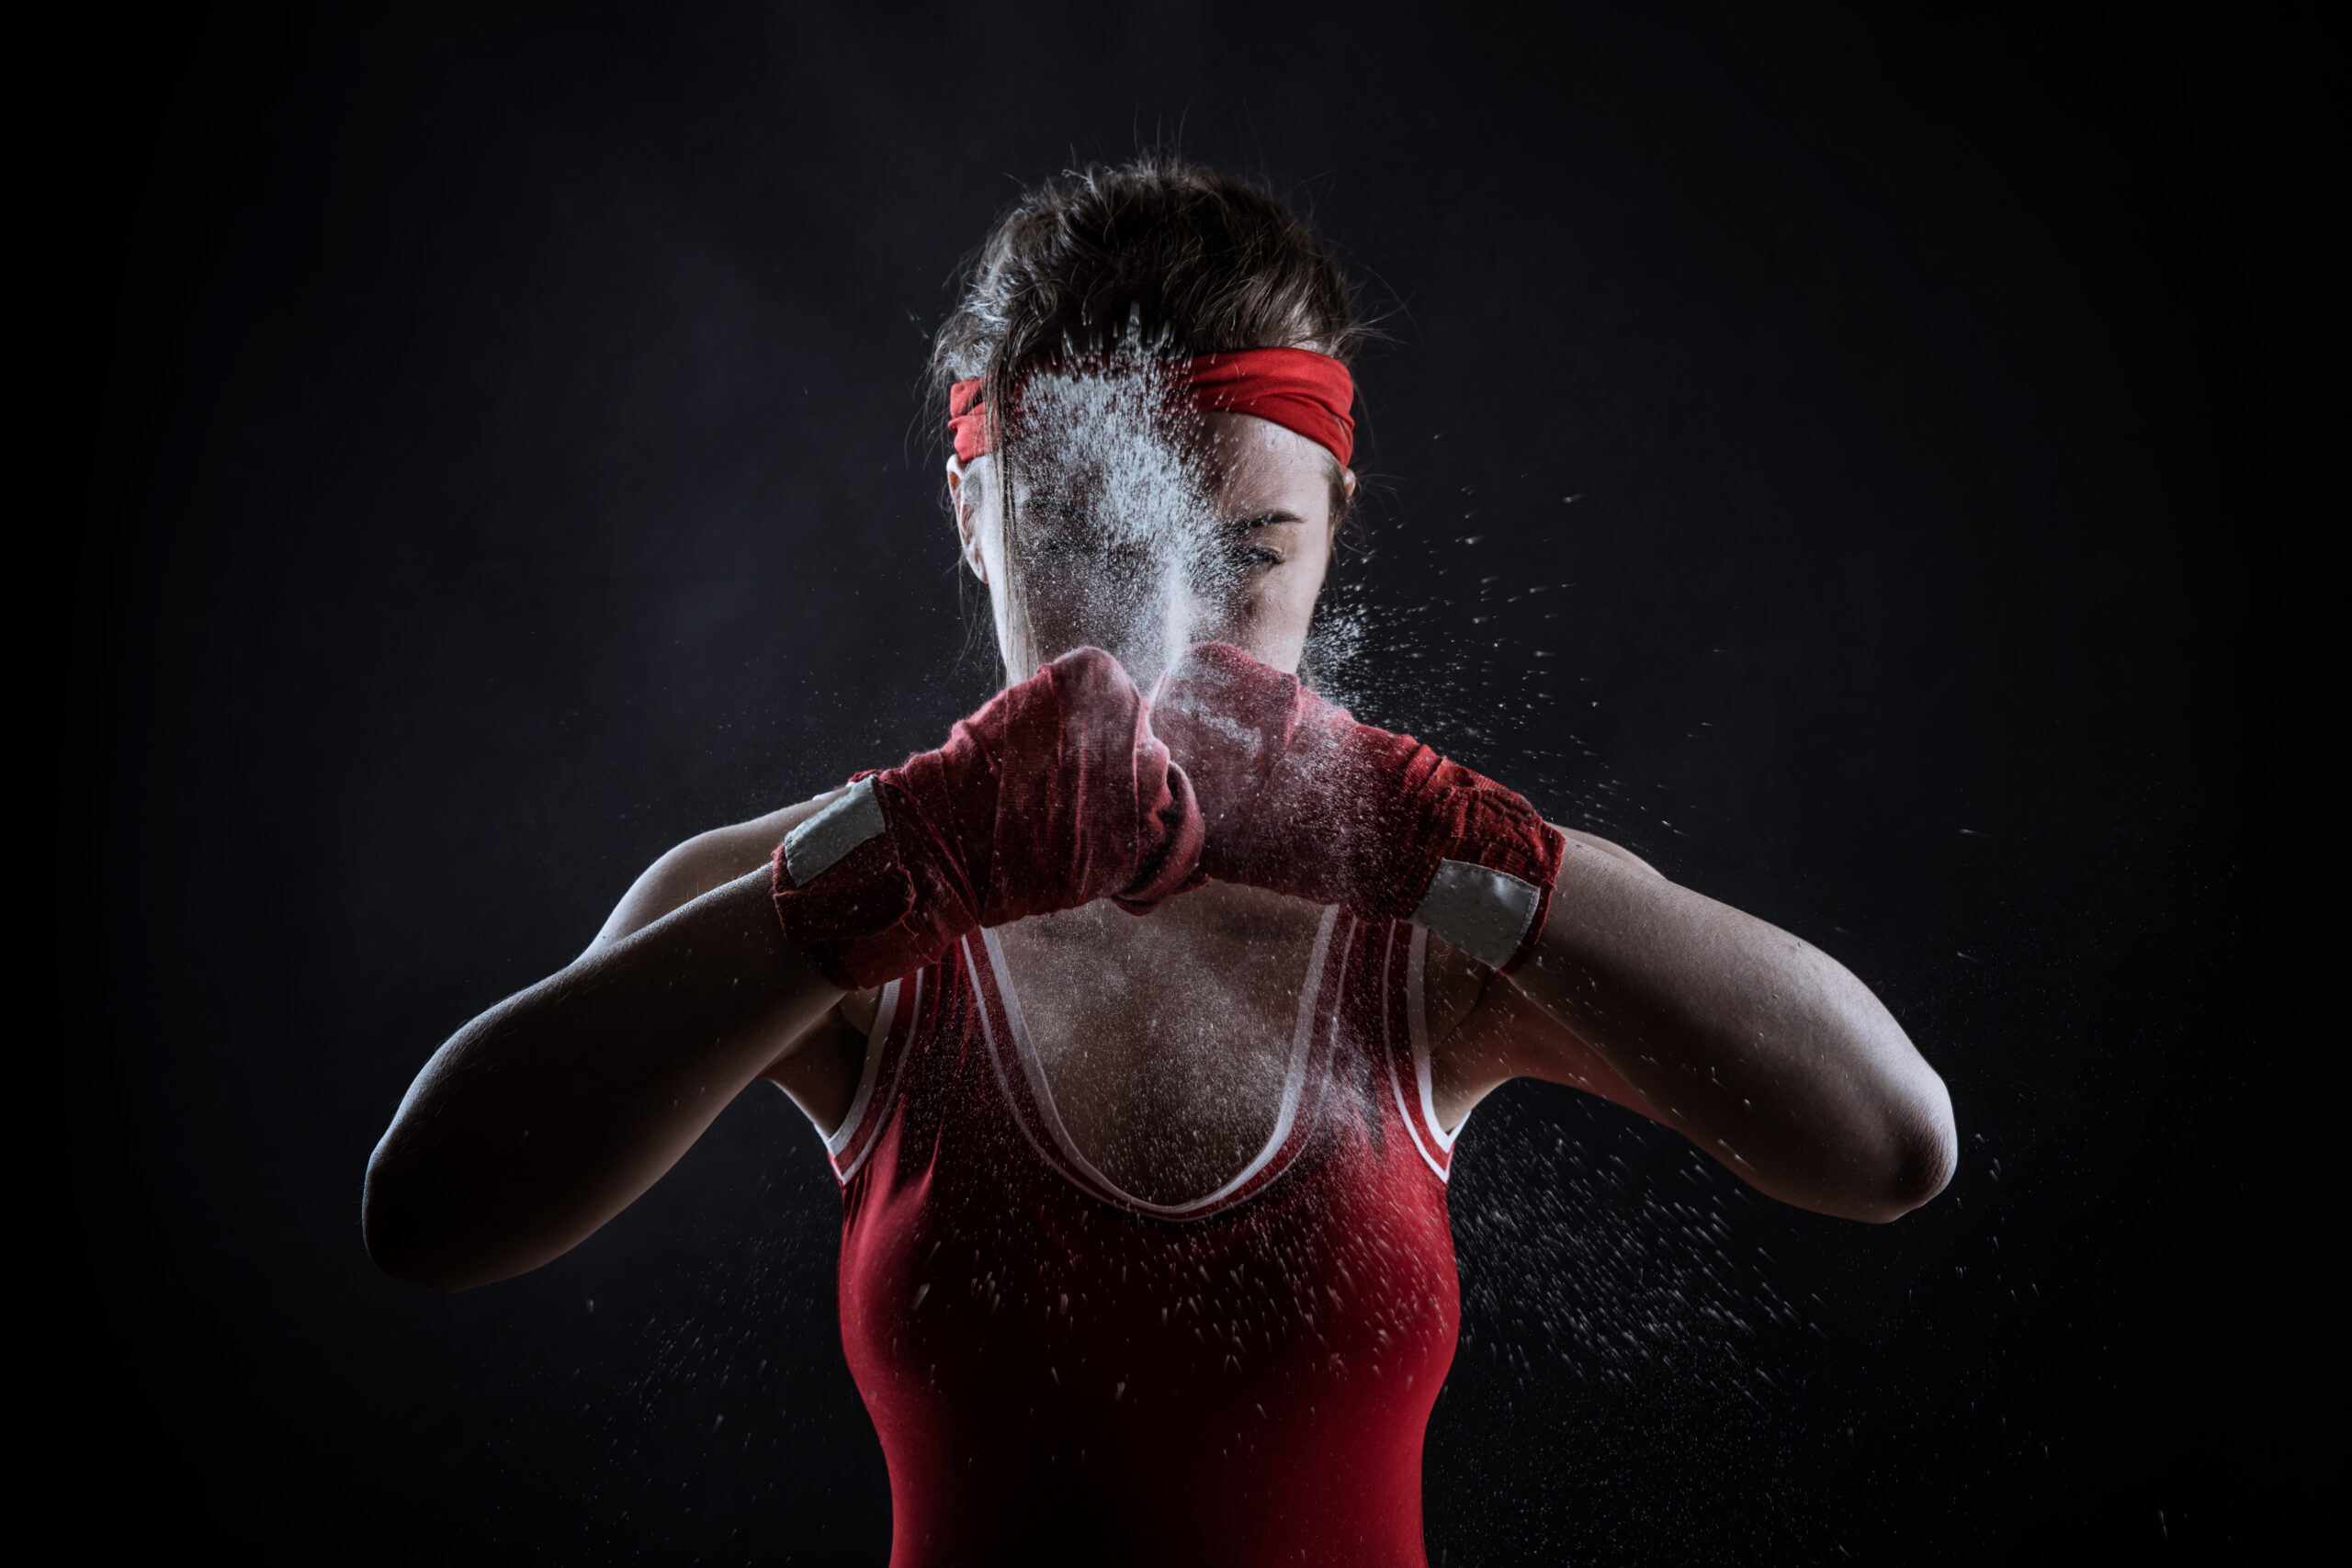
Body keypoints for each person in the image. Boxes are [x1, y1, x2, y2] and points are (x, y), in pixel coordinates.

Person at [364, 156, 1956, 1567]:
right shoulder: (819, 898)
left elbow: (1892, 1145)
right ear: (973, 519)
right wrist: (883, 877)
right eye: (1077, 544)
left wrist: (1449, 847)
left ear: (1335, 521)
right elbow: (427, 1216)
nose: (1166, 625)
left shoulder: (1435, 903)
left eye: (1250, 553)